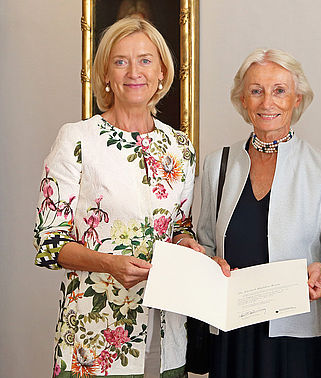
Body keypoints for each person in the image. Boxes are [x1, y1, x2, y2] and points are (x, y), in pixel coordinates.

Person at [33, 17, 203, 377]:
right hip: (95, 336)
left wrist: (188, 243)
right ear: (106, 74)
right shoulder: (77, 140)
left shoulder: (180, 147)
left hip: (167, 327)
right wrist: (109, 264)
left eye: (145, 60)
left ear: (162, 72)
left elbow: (179, 225)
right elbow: (49, 244)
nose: (133, 72)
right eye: (121, 61)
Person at [197, 48, 321, 378]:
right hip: (232, 334)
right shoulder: (217, 165)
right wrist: (209, 265)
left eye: (279, 90)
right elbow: (206, 247)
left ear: (297, 99)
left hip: (295, 339)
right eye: (256, 91)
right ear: (243, 100)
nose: (267, 102)